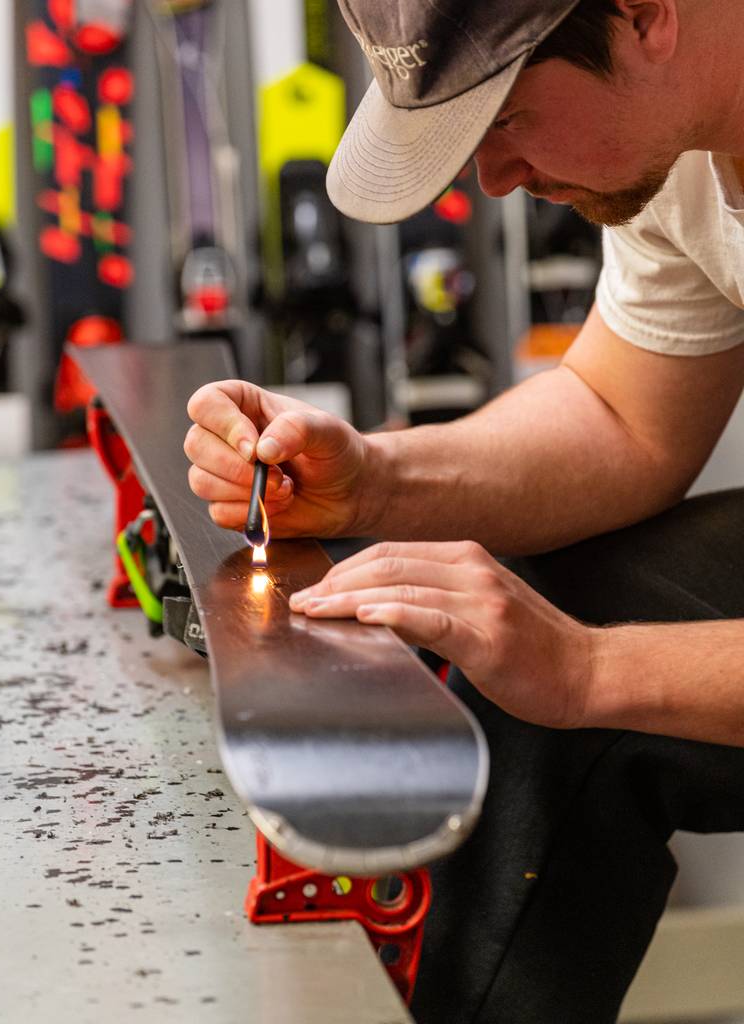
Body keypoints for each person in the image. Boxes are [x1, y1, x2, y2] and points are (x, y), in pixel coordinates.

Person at [185, 1, 744, 1020]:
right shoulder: (683, 141)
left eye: (505, 119)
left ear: (644, 15)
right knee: (512, 631)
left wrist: (587, 669)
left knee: (572, 674)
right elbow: (625, 419)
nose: (492, 179)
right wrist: (371, 485)